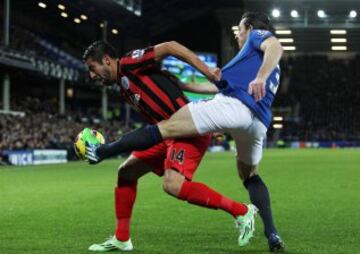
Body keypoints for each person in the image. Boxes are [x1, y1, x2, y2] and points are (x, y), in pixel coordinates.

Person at [86, 11, 285, 252]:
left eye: (240, 30)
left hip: (192, 126)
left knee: (172, 183)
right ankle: (121, 238)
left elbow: (275, 45)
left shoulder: (257, 39)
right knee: (127, 171)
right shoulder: (242, 62)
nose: (238, 35)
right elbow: (218, 86)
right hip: (250, 122)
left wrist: (253, 76)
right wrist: (185, 84)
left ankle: (241, 211)